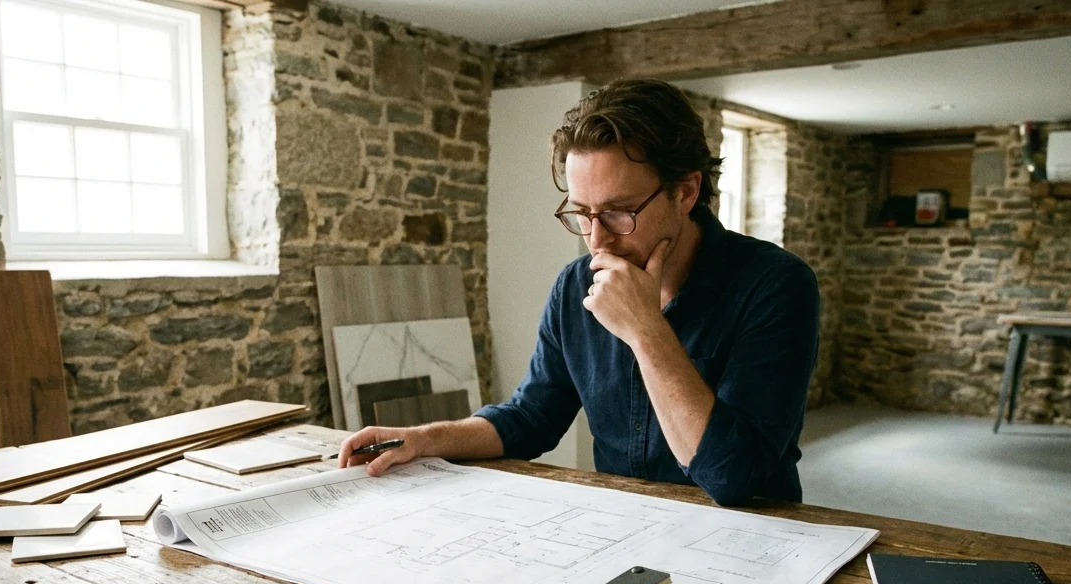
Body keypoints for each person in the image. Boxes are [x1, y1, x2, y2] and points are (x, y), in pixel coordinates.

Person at [338, 79, 820, 505]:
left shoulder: (776, 284)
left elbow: (734, 477)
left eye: (618, 212)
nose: (597, 239)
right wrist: (424, 439)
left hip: (755, 537)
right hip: (623, 524)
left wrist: (646, 330)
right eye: (582, 213)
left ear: (687, 192)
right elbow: (532, 418)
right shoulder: (576, 286)